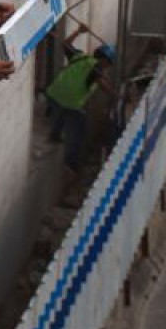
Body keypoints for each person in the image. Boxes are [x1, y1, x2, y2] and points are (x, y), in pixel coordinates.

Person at [44, 23, 116, 203]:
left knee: (61, 111)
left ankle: (54, 134)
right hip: (69, 102)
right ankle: (71, 164)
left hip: (53, 94)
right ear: (106, 61)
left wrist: (78, 31)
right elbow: (101, 83)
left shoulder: (80, 57)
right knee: (79, 129)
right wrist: (117, 95)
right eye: (109, 64)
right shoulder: (97, 69)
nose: (107, 67)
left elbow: (65, 43)